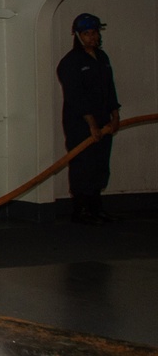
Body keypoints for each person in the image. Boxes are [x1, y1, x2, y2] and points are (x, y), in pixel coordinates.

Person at [57, 12, 121, 224]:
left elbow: (109, 89)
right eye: (87, 34)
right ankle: (81, 209)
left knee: (100, 162)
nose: (92, 37)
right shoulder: (70, 62)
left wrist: (115, 115)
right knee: (83, 163)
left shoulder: (102, 58)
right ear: (78, 35)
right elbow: (75, 96)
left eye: (95, 33)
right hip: (80, 124)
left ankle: (96, 207)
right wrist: (91, 124)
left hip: (104, 120)